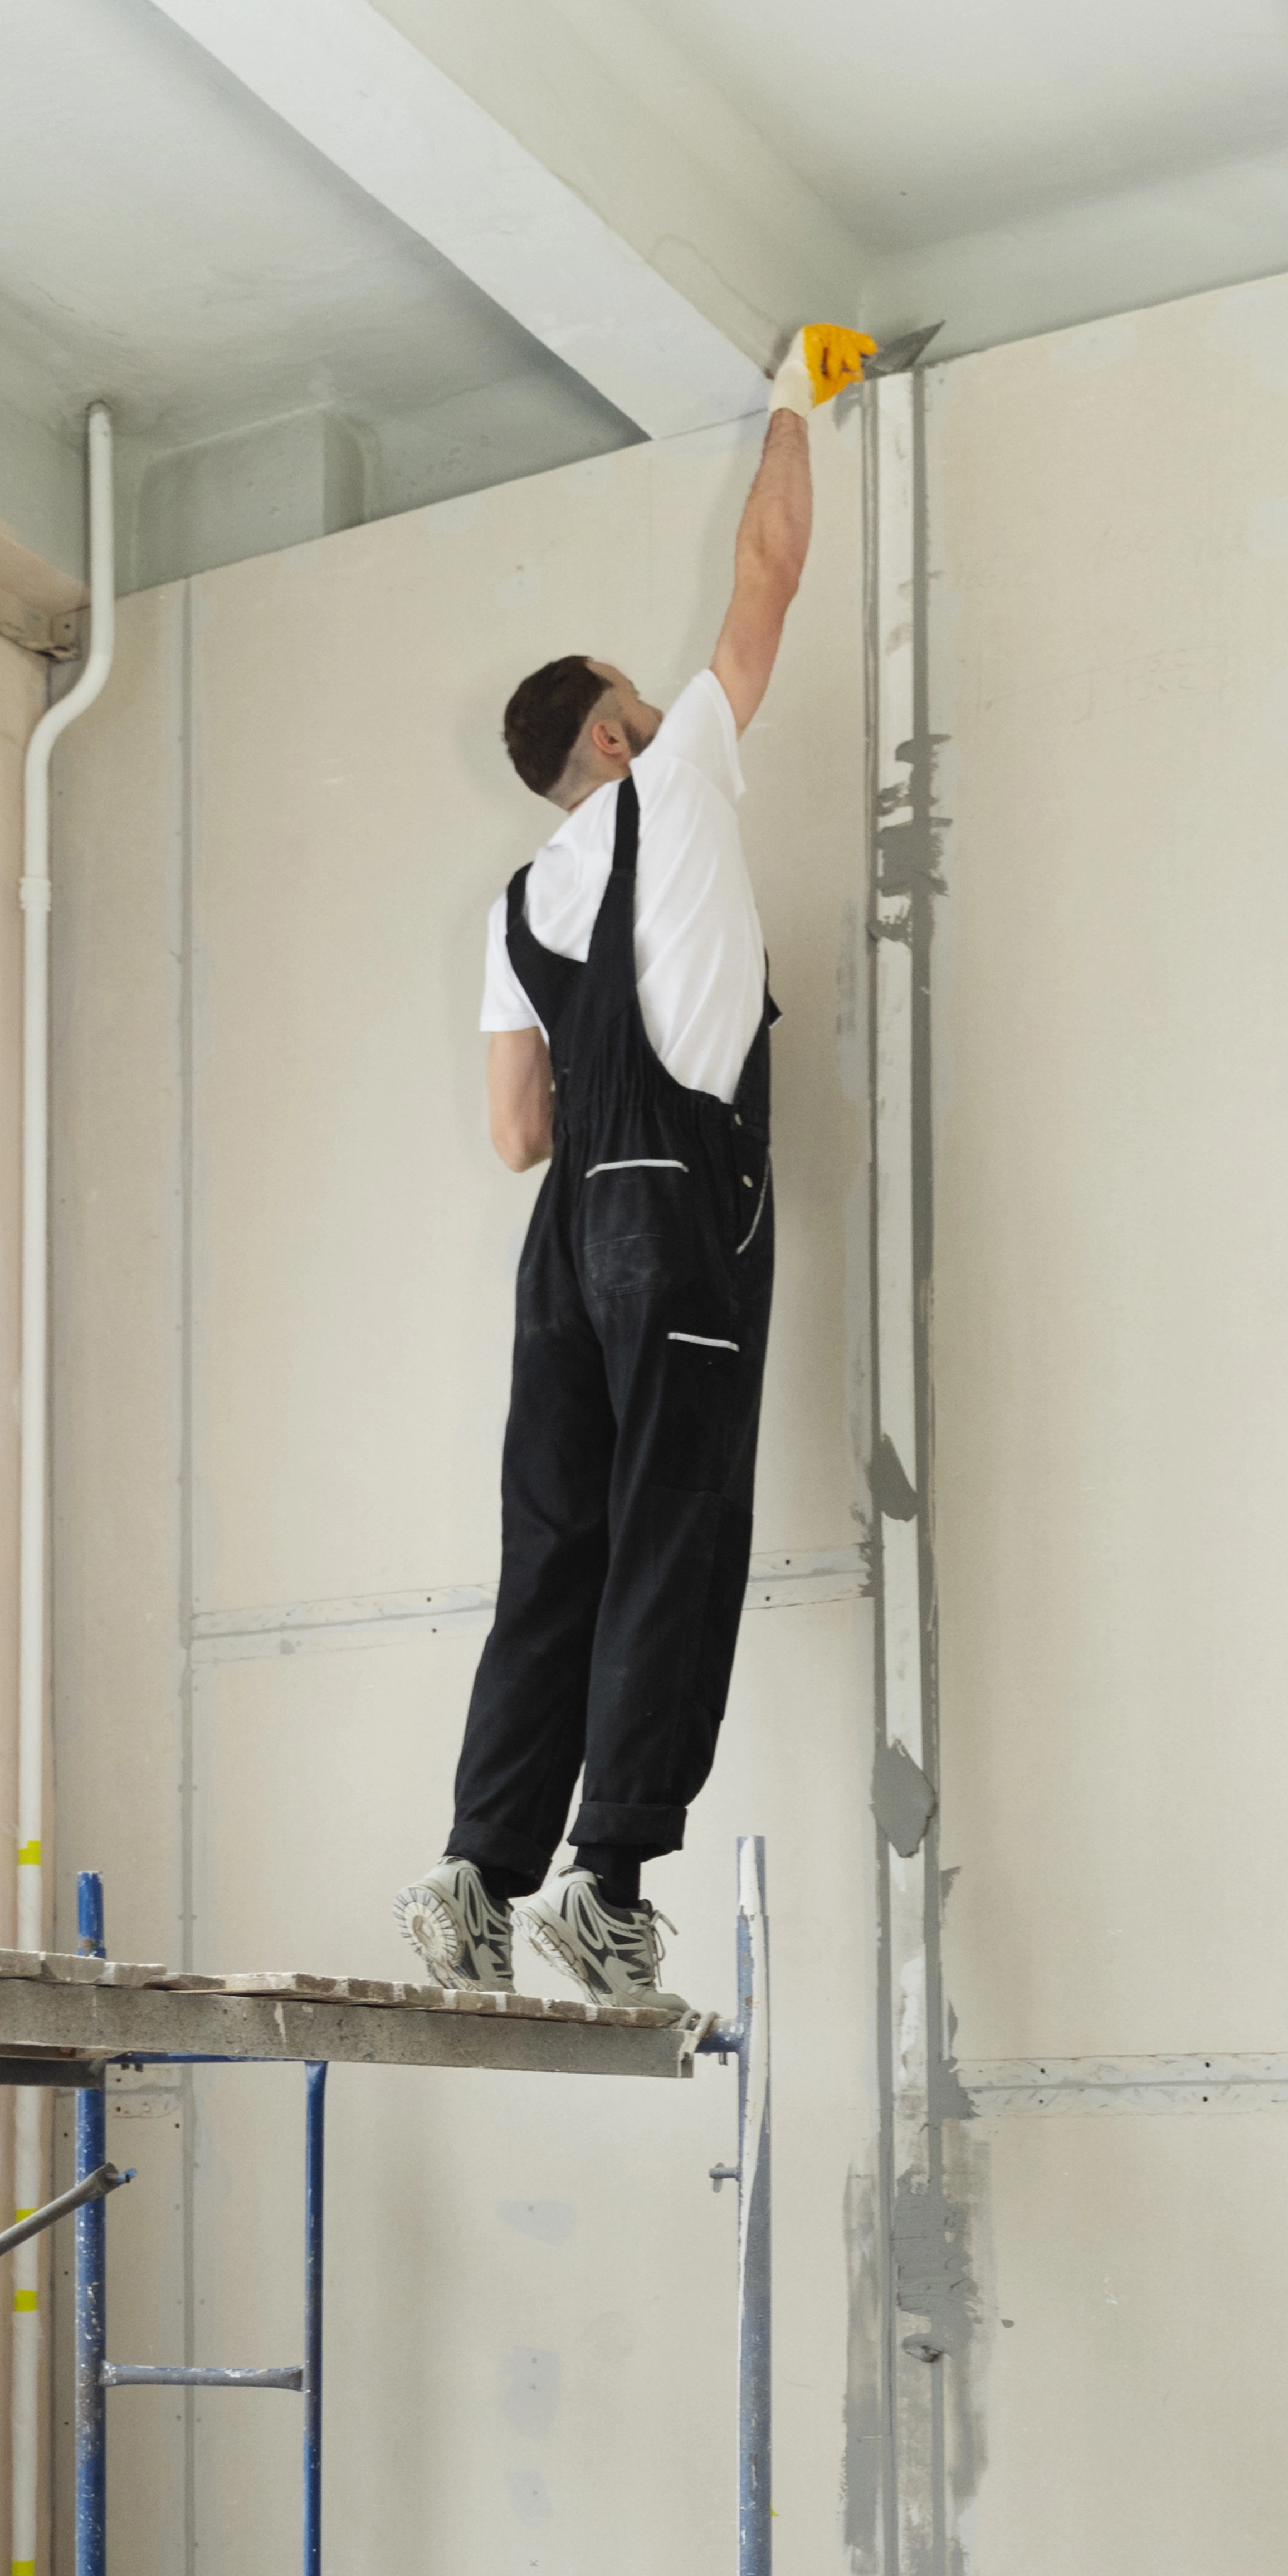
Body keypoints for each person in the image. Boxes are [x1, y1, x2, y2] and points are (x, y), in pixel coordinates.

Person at [394, 328, 865, 2012]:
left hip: (559, 1258)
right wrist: (801, 401)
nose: (671, 714)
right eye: (640, 707)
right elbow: (770, 571)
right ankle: (602, 1885)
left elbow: (519, 1132)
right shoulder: (672, 780)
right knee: (675, 1536)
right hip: (673, 1226)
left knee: (555, 1550)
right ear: (609, 739)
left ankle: (475, 1868)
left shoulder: (517, 910)